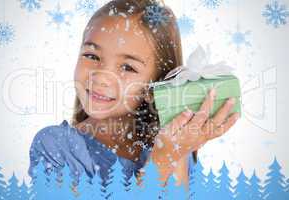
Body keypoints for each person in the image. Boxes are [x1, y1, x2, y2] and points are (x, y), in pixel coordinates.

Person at [28, 0, 240, 191]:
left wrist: (177, 150)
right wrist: (163, 160)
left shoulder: (173, 146)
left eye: (128, 67)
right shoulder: (54, 145)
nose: (101, 76)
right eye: (92, 55)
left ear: (153, 89)